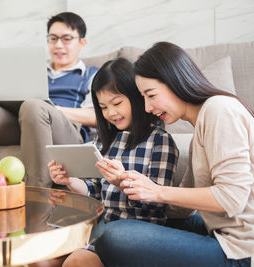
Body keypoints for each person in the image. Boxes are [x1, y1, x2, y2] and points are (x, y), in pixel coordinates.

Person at [95, 42, 254, 266]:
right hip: (219, 233)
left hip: (242, 250)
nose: (148, 108)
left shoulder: (219, 109)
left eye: (151, 95)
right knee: (125, 227)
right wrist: (127, 184)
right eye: (143, 98)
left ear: (175, 81)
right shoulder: (200, 124)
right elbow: (181, 209)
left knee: (111, 236)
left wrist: (159, 192)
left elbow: (232, 198)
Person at [48, 57, 179, 267]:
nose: (111, 113)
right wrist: (70, 180)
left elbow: (156, 206)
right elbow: (94, 192)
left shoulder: (160, 142)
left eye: (117, 103)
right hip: (100, 227)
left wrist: (122, 182)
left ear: (136, 97)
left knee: (77, 262)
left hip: (135, 234)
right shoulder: (105, 140)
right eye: (103, 107)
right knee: (40, 259)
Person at [0, 12, 98, 188]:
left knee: (34, 105)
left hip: (67, 130)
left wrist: (51, 109)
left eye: (66, 39)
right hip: (27, 121)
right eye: (53, 38)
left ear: (82, 43)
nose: (58, 45)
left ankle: (38, 195)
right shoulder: (33, 70)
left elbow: (95, 116)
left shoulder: (91, 74)